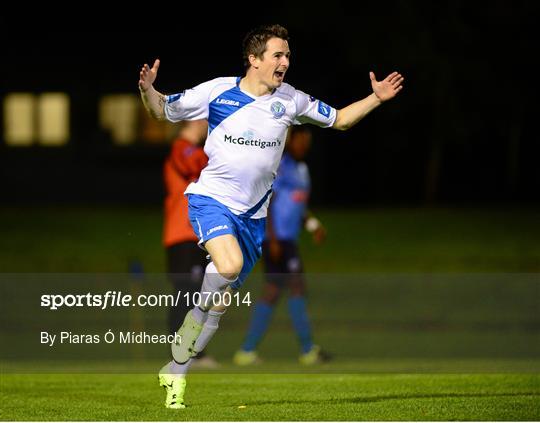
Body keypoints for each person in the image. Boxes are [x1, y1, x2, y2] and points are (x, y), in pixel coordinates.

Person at [138, 23, 404, 409]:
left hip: (252, 218)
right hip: (211, 200)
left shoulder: (291, 100)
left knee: (220, 302)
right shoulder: (217, 91)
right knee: (227, 266)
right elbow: (162, 110)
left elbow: (342, 120)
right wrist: (147, 91)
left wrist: (376, 98)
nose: (285, 62)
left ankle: (175, 371)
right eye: (278, 55)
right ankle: (191, 328)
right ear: (254, 60)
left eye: (288, 55)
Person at [233, 125, 331, 366]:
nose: (304, 145)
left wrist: (312, 224)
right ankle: (308, 350)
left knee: (272, 292)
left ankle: (246, 351)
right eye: (301, 140)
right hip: (279, 240)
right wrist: (272, 238)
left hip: (289, 239)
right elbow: (269, 201)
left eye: (307, 141)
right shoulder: (282, 165)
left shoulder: (302, 169)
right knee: (296, 287)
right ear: (291, 140)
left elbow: (296, 204)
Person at [162, 119, 219, 369]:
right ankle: (182, 353)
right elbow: (198, 164)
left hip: (197, 235)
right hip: (181, 234)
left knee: (198, 295)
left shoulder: (192, 150)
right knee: (186, 294)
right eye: (203, 118)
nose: (208, 124)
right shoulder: (181, 148)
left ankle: (191, 351)